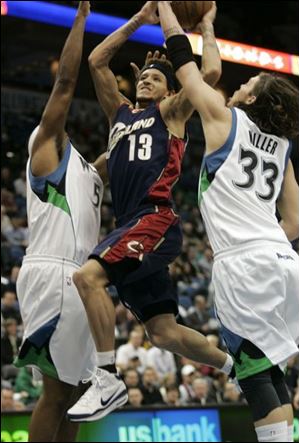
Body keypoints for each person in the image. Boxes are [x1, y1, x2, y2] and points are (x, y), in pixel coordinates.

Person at [67, 1, 235, 423]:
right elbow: (96, 60)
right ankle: (236, 366)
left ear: (169, 90)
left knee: (87, 277)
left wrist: (208, 26)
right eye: (143, 76)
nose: (147, 81)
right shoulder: (119, 113)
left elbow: (210, 75)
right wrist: (140, 20)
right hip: (130, 225)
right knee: (163, 333)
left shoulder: (172, 112)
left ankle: (106, 378)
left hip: (154, 217)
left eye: (156, 78)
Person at [158, 2, 299, 442]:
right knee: (270, 369)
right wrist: (210, 27)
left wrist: (169, 10)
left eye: (249, 82)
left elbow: (185, 66)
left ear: (252, 99)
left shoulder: (224, 118)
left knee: (253, 375)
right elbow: (294, 220)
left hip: (245, 265)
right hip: (283, 258)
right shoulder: (281, 148)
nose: (240, 84)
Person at [13, 2, 108, 441]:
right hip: (54, 273)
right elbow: (67, 82)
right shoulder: (47, 145)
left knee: (77, 393)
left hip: (78, 278)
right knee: (56, 394)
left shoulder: (87, 169)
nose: (62, 113)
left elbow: (124, 149)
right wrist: (81, 20)